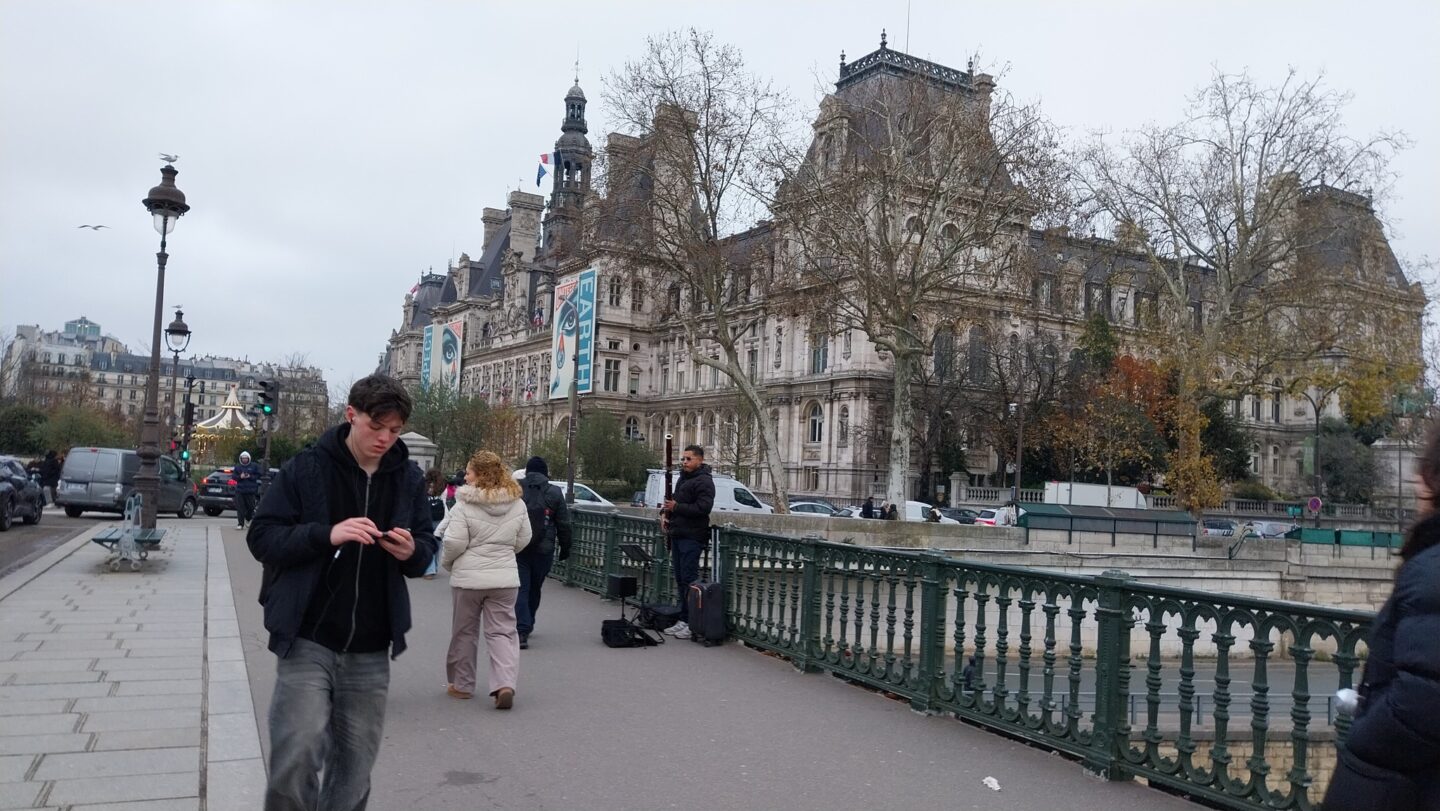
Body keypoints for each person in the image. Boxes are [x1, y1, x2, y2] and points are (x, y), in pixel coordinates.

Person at [246, 374, 437, 811]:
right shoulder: (307, 468)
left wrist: (412, 551)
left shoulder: (407, 478)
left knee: (354, 769)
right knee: (296, 752)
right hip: (308, 635)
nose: (386, 438)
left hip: (371, 645)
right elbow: (262, 537)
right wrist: (326, 534)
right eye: (377, 426)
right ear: (351, 415)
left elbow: (426, 547)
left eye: (395, 430)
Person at [1322, 425, 1440, 809]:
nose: (1414, 481)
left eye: (1423, 469)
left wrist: (1362, 746)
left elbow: (1421, 702)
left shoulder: (1431, 569)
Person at [440, 450, 529, 709]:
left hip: (468, 580)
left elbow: (454, 542)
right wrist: (503, 554)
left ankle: (462, 684)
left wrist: (449, 564)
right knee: (503, 632)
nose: (465, 477)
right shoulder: (517, 503)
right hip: (505, 579)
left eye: (468, 472)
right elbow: (524, 539)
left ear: (480, 475)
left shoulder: (464, 504)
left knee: (464, 633)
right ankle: (504, 684)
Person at [515, 456, 572, 649]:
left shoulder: (516, 489)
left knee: (521, 588)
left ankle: (521, 630)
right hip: (544, 549)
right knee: (534, 588)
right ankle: (528, 622)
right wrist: (565, 548)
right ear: (545, 472)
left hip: (520, 547)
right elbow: (564, 524)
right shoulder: (554, 492)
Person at [661, 444, 714, 641]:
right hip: (678, 533)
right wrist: (664, 514)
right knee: (681, 579)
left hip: (692, 536)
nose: (684, 462)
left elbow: (703, 508)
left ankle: (692, 621)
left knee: (689, 580)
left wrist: (677, 507)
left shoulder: (705, 481)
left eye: (688, 459)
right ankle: (683, 619)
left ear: (700, 460)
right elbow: (674, 502)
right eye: (683, 459)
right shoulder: (684, 479)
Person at [423, 468, 449, 580]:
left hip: (428, 517)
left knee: (428, 543)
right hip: (440, 518)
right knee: (437, 544)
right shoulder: (443, 486)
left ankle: (429, 569)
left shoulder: (425, 486)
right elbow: (445, 500)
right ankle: (434, 567)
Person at [233, 450, 263, 530]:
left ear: (248, 458)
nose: (244, 460)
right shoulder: (238, 467)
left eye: (246, 458)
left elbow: (259, 474)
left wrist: (250, 476)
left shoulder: (254, 466)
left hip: (250, 490)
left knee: (251, 507)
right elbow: (234, 477)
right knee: (240, 508)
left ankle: (248, 518)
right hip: (240, 491)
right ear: (241, 459)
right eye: (243, 458)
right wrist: (240, 477)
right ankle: (240, 524)